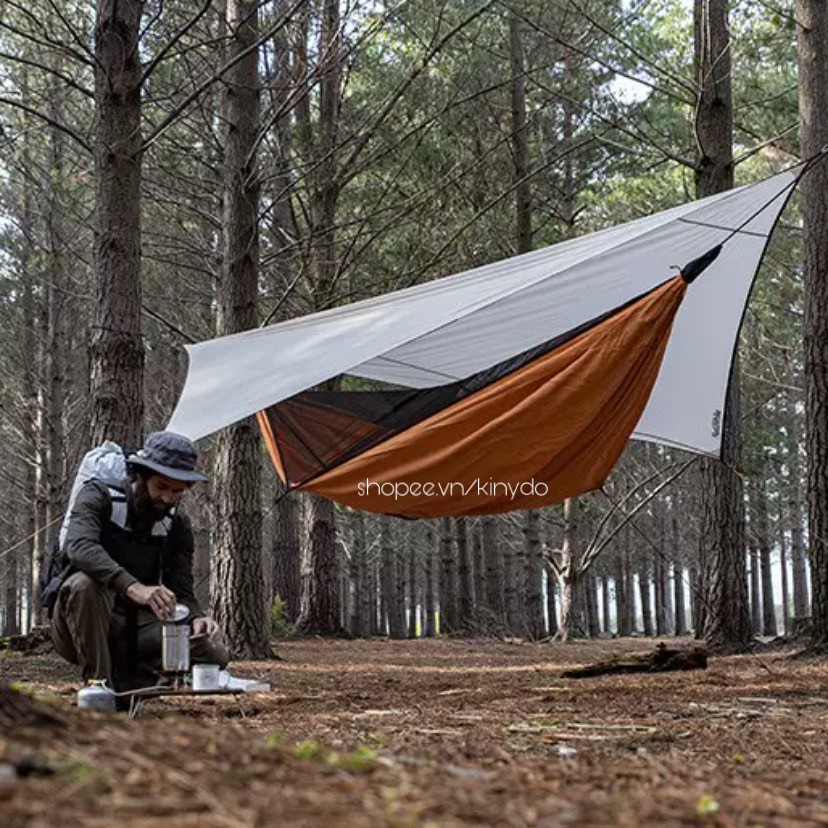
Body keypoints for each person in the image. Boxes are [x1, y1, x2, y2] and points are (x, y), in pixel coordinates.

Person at [50, 431, 229, 692]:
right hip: (78, 622)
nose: (168, 499)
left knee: (213, 653)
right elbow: (79, 547)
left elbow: (181, 589)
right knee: (85, 585)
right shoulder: (97, 496)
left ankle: (133, 680)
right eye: (161, 487)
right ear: (140, 476)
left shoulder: (176, 524)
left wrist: (196, 617)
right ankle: (99, 690)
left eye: (177, 492)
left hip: (135, 630)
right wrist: (132, 586)